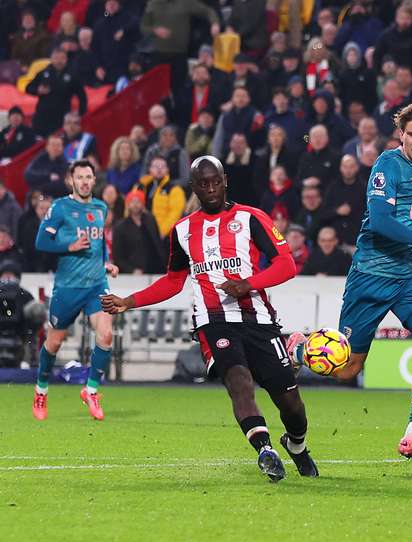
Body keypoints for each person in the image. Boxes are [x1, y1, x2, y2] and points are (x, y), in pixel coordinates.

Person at [101, 156, 317, 482]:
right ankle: (265, 449)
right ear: (194, 187)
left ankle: (296, 445)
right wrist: (128, 301)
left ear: (225, 180)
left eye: (216, 181)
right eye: (204, 183)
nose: (211, 188)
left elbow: (286, 264)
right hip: (213, 322)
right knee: (239, 382)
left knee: (291, 404)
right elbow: (174, 280)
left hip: (258, 320)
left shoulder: (251, 218)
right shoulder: (183, 230)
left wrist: (248, 283)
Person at [288, 101, 412, 460]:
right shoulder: (387, 165)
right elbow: (381, 222)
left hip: (409, 277)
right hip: (372, 275)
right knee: (348, 369)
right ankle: (299, 348)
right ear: (401, 133)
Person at [32, 160, 120, 421]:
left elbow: (99, 243)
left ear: (94, 180)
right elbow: (41, 241)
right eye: (79, 177)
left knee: (105, 335)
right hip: (68, 287)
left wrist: (106, 263)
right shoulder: (60, 207)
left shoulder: (101, 207)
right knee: (54, 342)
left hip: (96, 285)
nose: (84, 181)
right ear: (71, 180)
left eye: (88, 177)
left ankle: (91, 390)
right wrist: (68, 247)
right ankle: (41, 389)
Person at [26, 46, 88, 137]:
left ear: (66, 59)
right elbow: (28, 88)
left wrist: (81, 113)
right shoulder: (43, 73)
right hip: (42, 115)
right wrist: (38, 90)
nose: (59, 61)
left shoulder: (73, 75)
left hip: (61, 116)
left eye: (62, 58)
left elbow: (82, 96)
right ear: (51, 59)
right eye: (56, 58)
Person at [111, 189, 165, 275]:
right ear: (128, 205)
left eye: (138, 201)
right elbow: (117, 256)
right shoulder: (120, 227)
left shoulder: (150, 220)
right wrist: (131, 270)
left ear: (143, 204)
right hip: (132, 274)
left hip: (154, 270)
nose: (135, 205)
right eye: (132, 201)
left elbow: (157, 245)